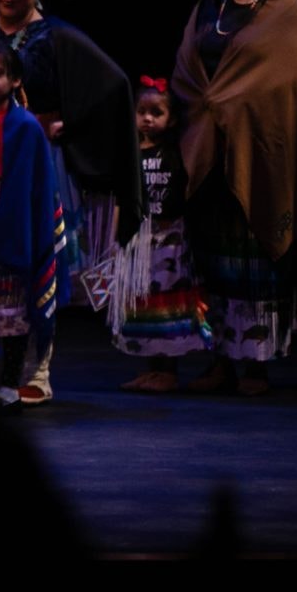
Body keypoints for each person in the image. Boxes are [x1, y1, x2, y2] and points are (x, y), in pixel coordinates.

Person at [0, 0, 141, 377]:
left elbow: (113, 84)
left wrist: (66, 122)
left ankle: (38, 367)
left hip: (35, 164)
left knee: (35, 258)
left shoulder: (56, 36)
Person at [168, 0, 297, 397]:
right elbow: (186, 68)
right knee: (212, 259)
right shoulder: (209, 3)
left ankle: (255, 364)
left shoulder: (283, 12)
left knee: (253, 261)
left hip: (259, 154)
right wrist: (208, 109)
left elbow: (284, 83)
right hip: (208, 149)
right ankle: (220, 360)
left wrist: (236, 107)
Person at [0, 43, 61, 405]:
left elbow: (35, 187)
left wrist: (10, 225)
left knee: (12, 311)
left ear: (15, 79)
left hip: (10, 222)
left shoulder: (25, 127)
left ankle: (9, 380)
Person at [109, 78, 206, 390]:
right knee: (143, 305)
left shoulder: (177, 151)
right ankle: (150, 368)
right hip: (140, 242)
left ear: (172, 118)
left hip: (169, 241)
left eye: (156, 112)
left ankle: (169, 371)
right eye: (141, 112)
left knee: (166, 305)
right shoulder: (130, 153)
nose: (148, 118)